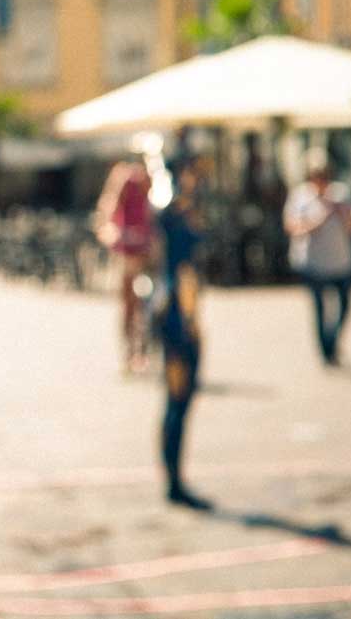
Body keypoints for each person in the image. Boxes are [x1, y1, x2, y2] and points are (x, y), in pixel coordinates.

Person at [153, 152, 212, 510]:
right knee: (177, 399)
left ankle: (175, 475)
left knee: (180, 399)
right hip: (177, 313)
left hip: (182, 311)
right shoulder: (171, 209)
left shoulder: (179, 209)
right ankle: (173, 479)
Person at [283, 149, 351, 365]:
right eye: (317, 175)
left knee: (345, 305)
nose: (321, 180)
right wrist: (319, 219)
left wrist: (344, 213)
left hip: (342, 261)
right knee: (319, 309)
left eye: (324, 175)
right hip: (312, 263)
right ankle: (326, 351)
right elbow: (292, 227)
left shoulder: (340, 194)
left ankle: (332, 340)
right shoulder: (300, 196)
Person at [96, 159, 155, 372]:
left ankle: (139, 350)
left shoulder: (142, 182)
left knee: (140, 304)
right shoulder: (125, 179)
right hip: (130, 252)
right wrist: (118, 235)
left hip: (142, 251)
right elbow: (109, 217)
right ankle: (131, 351)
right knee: (130, 305)